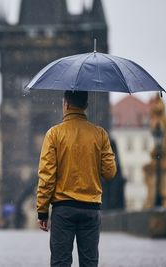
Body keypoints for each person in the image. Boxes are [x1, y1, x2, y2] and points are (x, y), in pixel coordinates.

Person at [36, 90, 117, 267]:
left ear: (66, 104)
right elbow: (110, 172)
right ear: (85, 106)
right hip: (91, 208)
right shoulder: (100, 134)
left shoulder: (54, 134)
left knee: (61, 262)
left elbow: (47, 176)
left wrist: (42, 210)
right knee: (89, 263)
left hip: (63, 209)